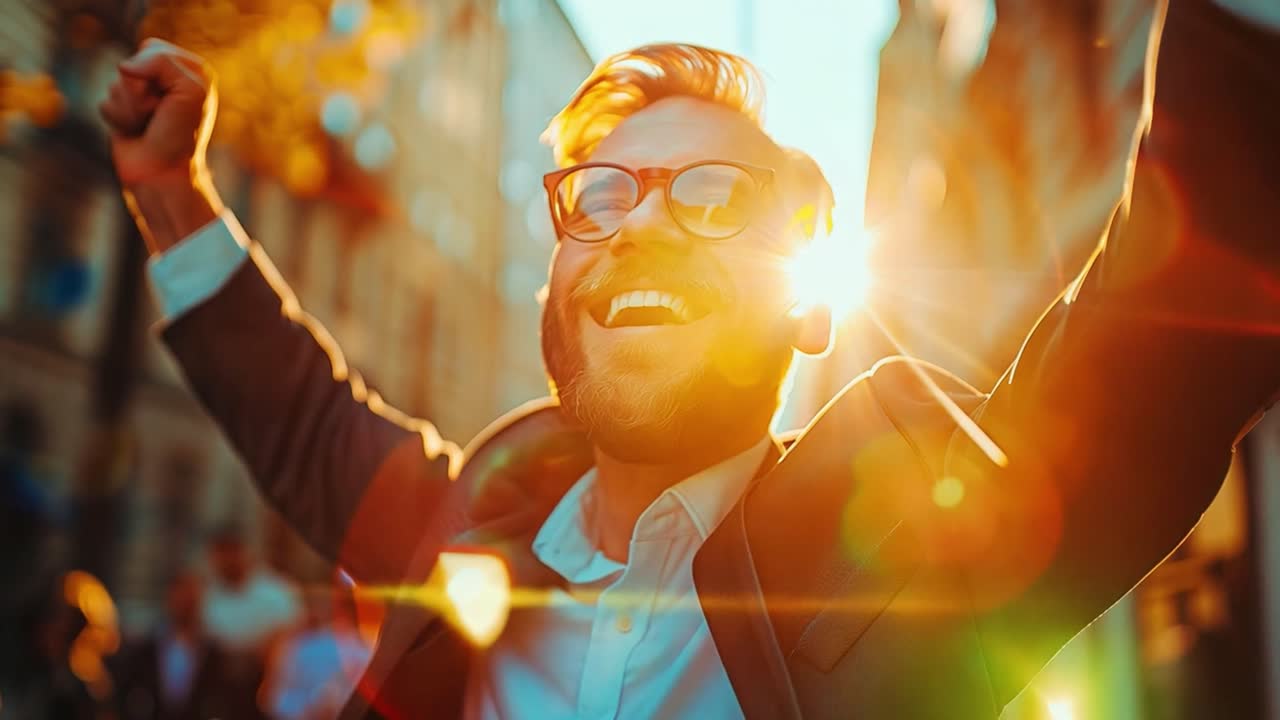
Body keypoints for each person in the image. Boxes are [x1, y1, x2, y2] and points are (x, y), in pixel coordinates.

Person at [97, 0, 1279, 716]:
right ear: (556, 298)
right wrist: (169, 193)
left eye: (714, 198)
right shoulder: (472, 524)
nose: (644, 220)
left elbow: (1156, 360)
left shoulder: (913, 547)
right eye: (599, 197)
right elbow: (305, 423)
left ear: (809, 304)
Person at [113, 572, 266, 720]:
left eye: (191, 599)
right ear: (169, 599)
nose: (185, 604)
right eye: (180, 597)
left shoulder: (215, 656)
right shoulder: (145, 651)